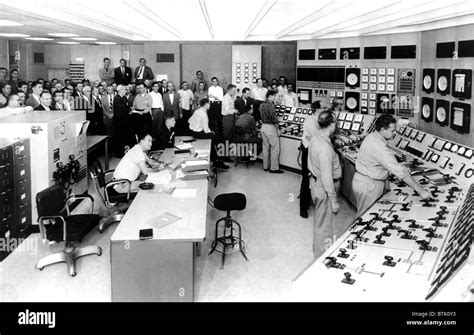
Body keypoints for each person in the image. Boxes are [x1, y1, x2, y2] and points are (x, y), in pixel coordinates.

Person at [353, 114, 432, 217]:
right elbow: (400, 172)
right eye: (392, 130)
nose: (395, 133)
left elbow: (380, 161)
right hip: (370, 186)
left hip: (364, 180)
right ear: (382, 130)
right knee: (365, 217)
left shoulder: (372, 136)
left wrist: (398, 164)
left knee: (372, 215)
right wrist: (422, 191)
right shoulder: (379, 147)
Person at [308, 110, 345, 258]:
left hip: (316, 184)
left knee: (322, 223)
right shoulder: (324, 148)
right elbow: (327, 178)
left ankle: (321, 254)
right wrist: (333, 200)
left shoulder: (316, 138)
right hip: (324, 189)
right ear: (332, 124)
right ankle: (321, 258)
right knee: (324, 228)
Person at [188, 98, 228, 169]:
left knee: (212, 143)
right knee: (221, 140)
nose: (210, 105)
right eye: (209, 104)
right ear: (206, 104)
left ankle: (216, 160)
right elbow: (206, 130)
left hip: (193, 132)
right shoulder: (204, 114)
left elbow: (189, 121)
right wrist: (212, 132)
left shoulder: (197, 111)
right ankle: (221, 159)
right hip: (200, 134)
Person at [260, 90, 283, 173]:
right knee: (274, 148)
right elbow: (274, 119)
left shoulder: (261, 105)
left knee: (265, 148)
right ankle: (274, 168)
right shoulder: (271, 105)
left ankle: (265, 166)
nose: (275, 98)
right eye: (274, 96)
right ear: (270, 96)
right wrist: (278, 129)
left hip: (263, 127)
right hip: (270, 127)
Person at [113, 85, 134, 158]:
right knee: (120, 138)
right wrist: (129, 110)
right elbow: (122, 110)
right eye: (125, 89)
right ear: (121, 90)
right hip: (120, 122)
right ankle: (120, 153)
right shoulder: (117, 98)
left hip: (123, 122)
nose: (126, 91)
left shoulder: (122, 98)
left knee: (123, 138)